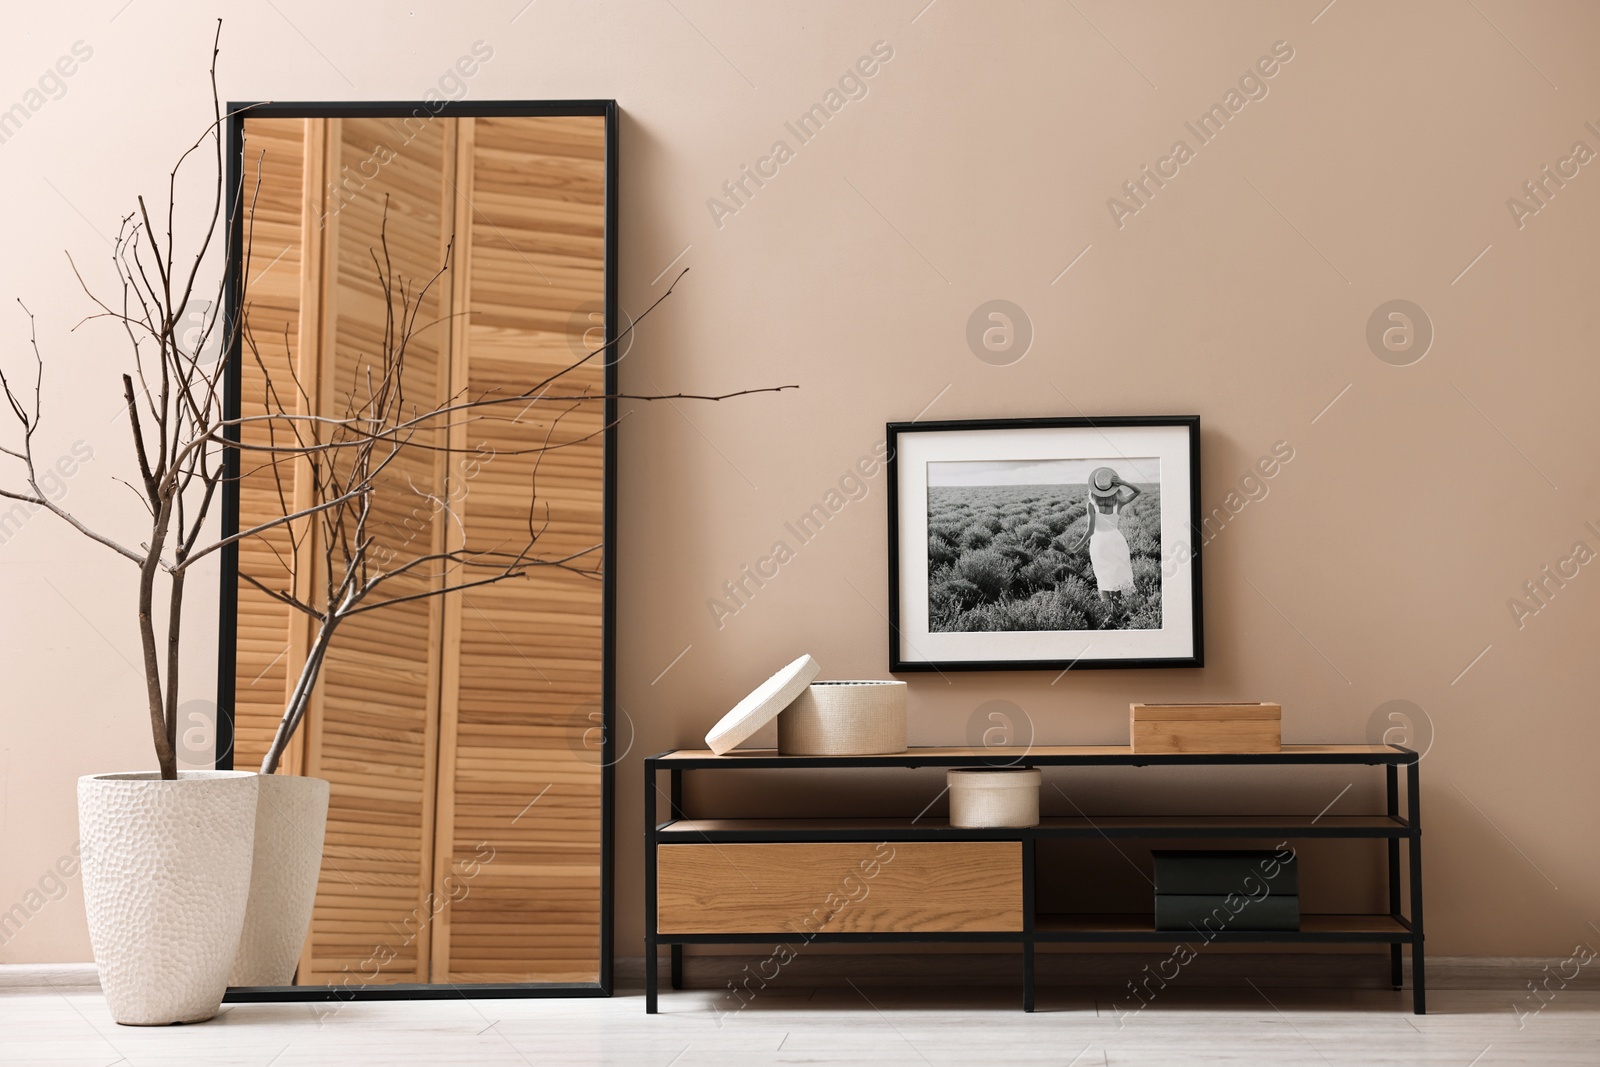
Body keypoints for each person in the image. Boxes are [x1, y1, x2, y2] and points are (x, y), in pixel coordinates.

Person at [1064, 466, 1141, 615]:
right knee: (1117, 575)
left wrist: (1075, 548)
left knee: (1103, 576)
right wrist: (1123, 482)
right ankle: (1118, 613)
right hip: (1116, 541)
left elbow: (1090, 531)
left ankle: (1110, 615)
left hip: (1099, 543)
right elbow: (1137, 491)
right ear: (1113, 488)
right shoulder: (1119, 502)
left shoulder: (1091, 505)